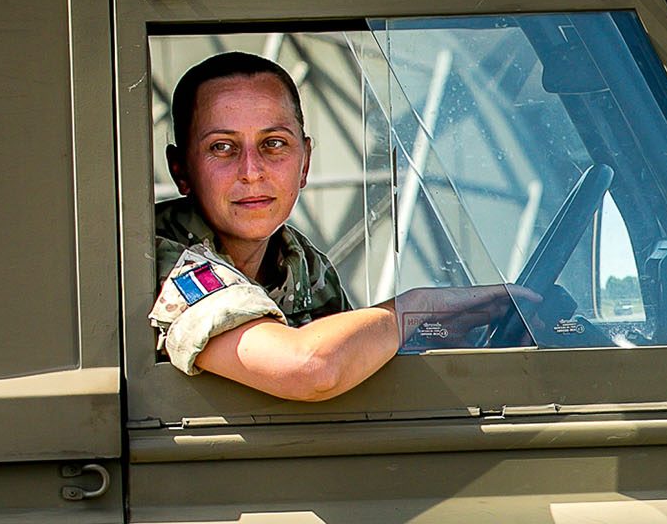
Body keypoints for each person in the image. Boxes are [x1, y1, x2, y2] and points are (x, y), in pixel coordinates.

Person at [149, 51, 533, 402]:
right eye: (222, 147)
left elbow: (353, 362)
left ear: (305, 164)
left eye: (274, 144)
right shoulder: (162, 258)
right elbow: (310, 368)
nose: (252, 172)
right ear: (180, 170)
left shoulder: (296, 259)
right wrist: (417, 309)